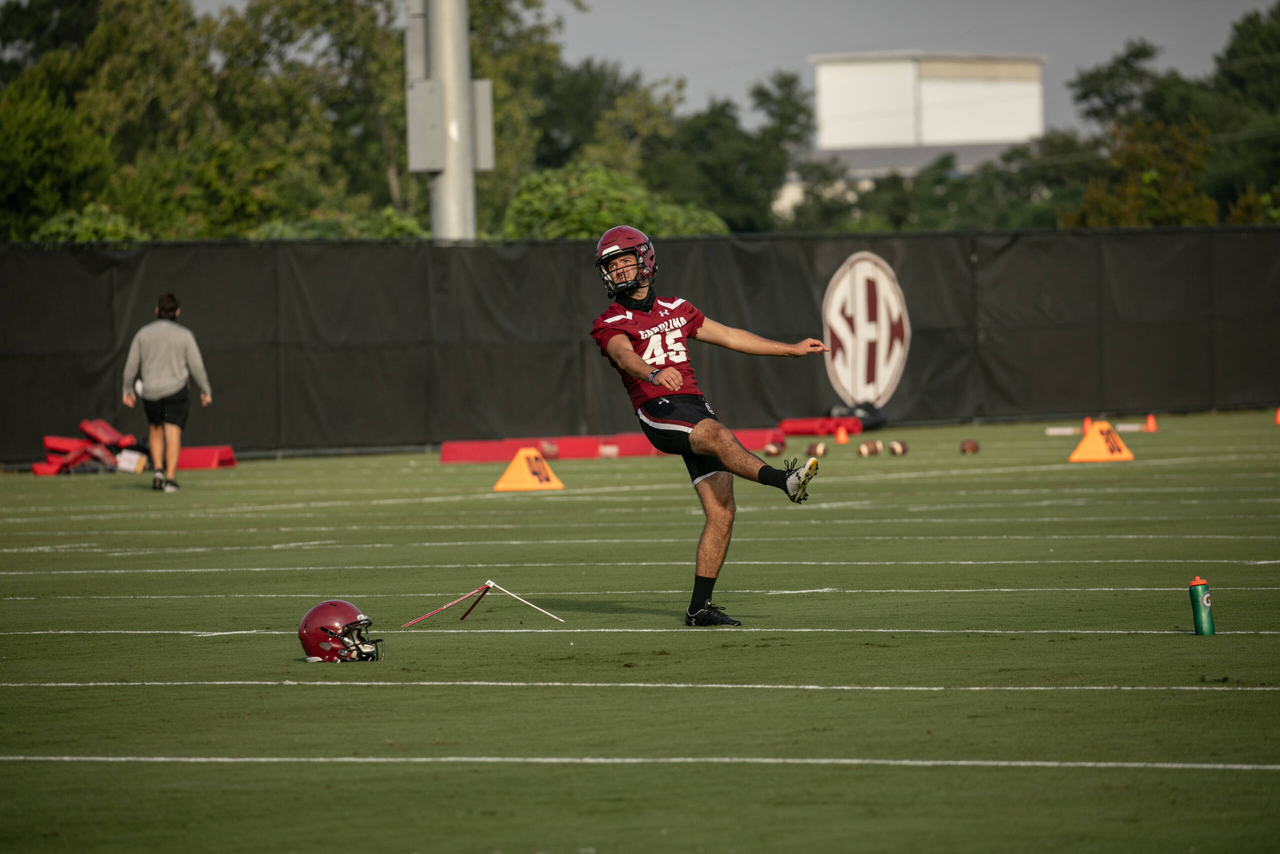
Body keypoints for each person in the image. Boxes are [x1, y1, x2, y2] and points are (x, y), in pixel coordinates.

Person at [589, 225, 828, 627]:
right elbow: (623, 354)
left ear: (645, 259)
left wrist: (790, 349)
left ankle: (699, 608)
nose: (617, 272)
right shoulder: (610, 319)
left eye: (624, 261)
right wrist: (651, 372)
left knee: (722, 512)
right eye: (611, 266)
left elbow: (731, 336)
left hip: (692, 405)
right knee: (718, 435)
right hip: (657, 408)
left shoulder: (678, 308)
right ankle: (782, 480)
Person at [122, 293, 212, 493]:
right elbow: (196, 366)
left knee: (155, 430)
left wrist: (127, 389)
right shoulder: (184, 335)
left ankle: (158, 471)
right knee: (173, 433)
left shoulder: (143, 334)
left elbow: (131, 365)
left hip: (151, 392)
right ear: (177, 312)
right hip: (176, 390)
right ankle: (170, 479)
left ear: (157, 310)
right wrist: (205, 389)